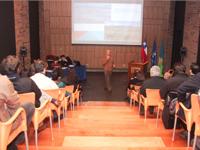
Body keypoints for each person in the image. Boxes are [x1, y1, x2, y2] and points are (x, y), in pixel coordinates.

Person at [0, 69, 35, 150]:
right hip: (3, 128)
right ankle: (14, 140)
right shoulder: (3, 81)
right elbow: (15, 106)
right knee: (29, 106)